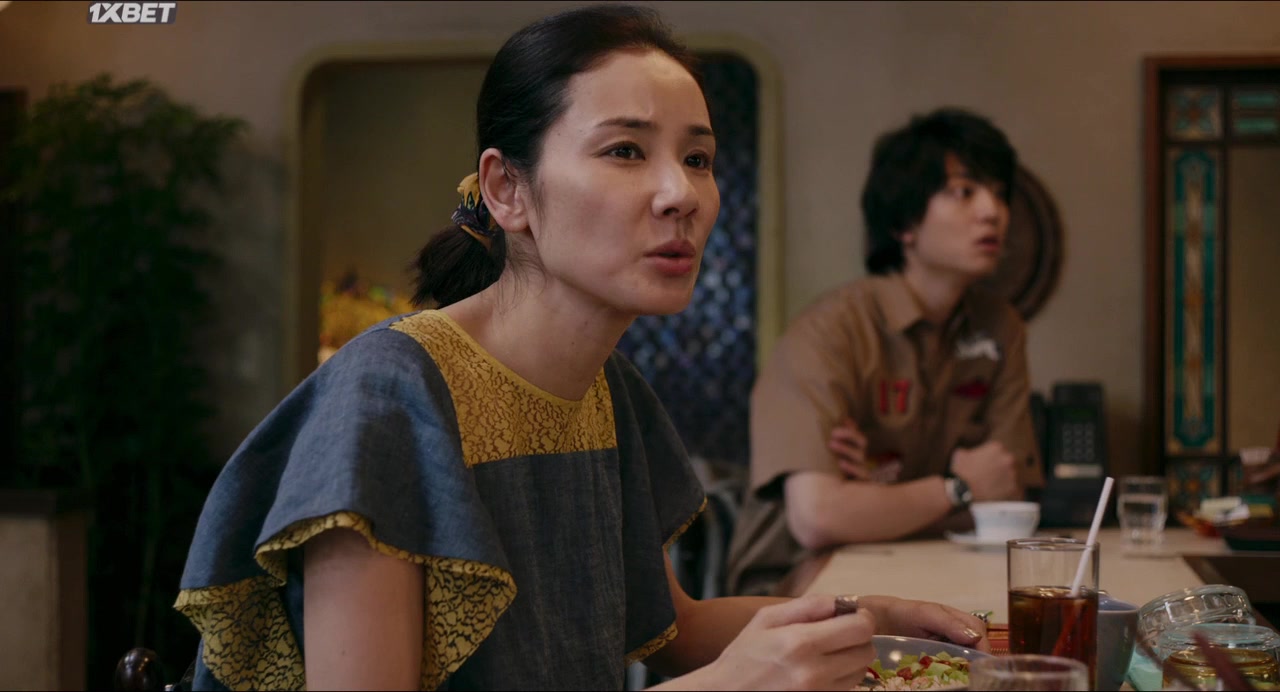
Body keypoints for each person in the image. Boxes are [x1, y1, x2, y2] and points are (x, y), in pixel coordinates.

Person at [173, 6, 989, 690]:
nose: (680, 194)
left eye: (698, 159)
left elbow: (677, 629)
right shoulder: (389, 396)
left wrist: (866, 617)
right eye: (626, 150)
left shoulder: (608, 387)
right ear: (507, 189)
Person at [727, 108, 1046, 597]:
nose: (992, 211)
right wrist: (958, 488)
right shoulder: (831, 330)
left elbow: (1006, 497)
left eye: (999, 194)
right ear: (904, 224)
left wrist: (875, 497)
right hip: (793, 582)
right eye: (964, 192)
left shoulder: (1000, 328)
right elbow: (818, 518)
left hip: (928, 567)